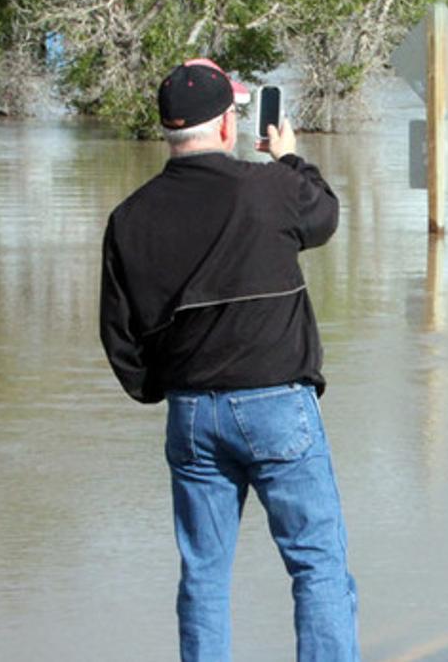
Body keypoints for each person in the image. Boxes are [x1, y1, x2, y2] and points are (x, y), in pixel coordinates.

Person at [99, 58, 358, 662]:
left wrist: (162, 388)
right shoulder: (269, 186)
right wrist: (289, 157)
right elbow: (324, 216)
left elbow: (120, 337)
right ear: (225, 128)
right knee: (317, 566)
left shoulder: (129, 218)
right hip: (277, 408)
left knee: (203, 579)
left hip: (192, 416)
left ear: (170, 130)